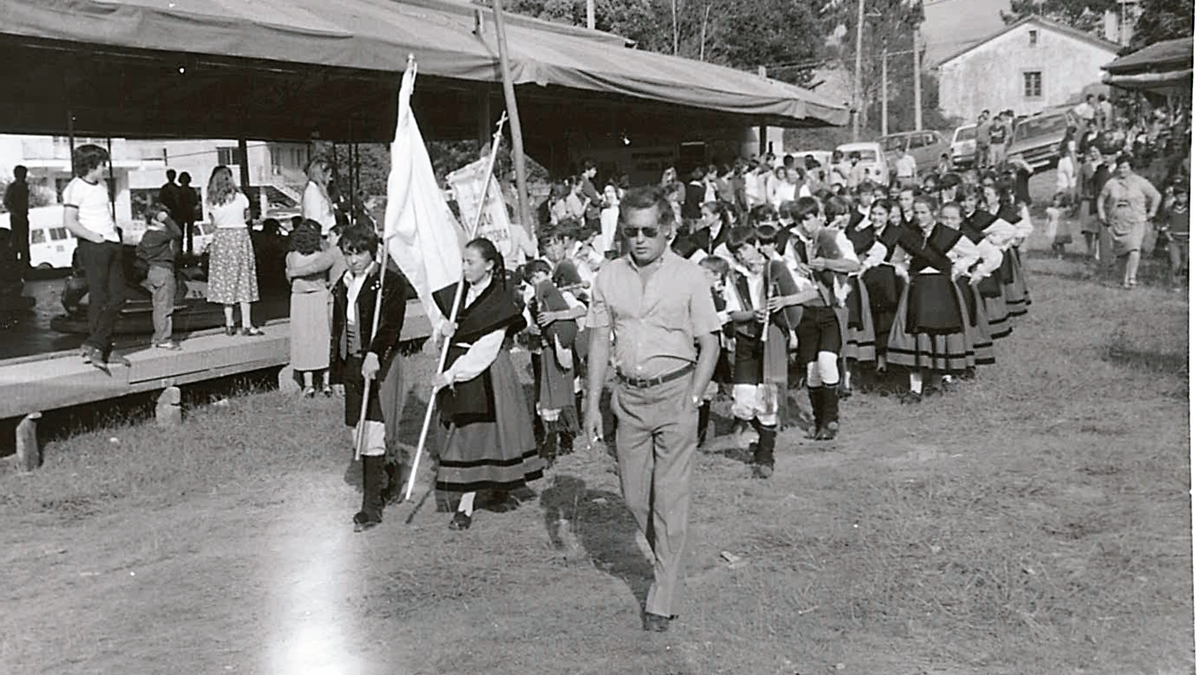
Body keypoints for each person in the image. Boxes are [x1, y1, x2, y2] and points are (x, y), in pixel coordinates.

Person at [583, 186, 721, 633]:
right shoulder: (607, 277)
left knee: (671, 499)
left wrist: (695, 396)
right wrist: (591, 403)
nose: (639, 239)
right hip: (629, 400)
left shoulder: (689, 276)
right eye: (630, 232)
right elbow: (600, 341)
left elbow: (710, 342)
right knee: (634, 495)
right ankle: (668, 556)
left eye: (648, 230)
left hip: (677, 395)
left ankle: (662, 595)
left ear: (666, 230)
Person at [433, 237, 543, 531]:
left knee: (481, 433)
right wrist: (443, 330)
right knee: (463, 431)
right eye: (463, 262)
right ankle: (496, 487)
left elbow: (486, 347)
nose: (465, 268)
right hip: (458, 365)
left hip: (486, 372)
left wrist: (451, 375)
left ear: (490, 265)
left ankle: (466, 505)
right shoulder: (459, 295)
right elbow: (445, 335)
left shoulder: (500, 302)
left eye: (471, 262)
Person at [330, 224, 411, 532]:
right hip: (351, 362)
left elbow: (391, 325)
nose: (353, 260)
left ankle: (371, 506)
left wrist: (376, 353)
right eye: (347, 254)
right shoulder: (343, 283)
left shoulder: (388, 283)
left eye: (359, 253)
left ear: (372, 251)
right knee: (357, 431)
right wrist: (336, 372)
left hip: (379, 363)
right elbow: (338, 329)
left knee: (373, 430)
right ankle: (392, 471)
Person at [887, 195, 984, 403]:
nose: (919, 217)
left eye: (923, 212)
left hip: (941, 288)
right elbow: (896, 260)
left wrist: (955, 270)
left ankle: (937, 383)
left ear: (933, 213)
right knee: (916, 335)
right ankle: (915, 388)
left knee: (939, 334)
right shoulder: (908, 235)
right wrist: (905, 272)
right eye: (916, 212)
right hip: (918, 289)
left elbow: (973, 253)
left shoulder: (947, 234)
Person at [61, 144, 128, 370]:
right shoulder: (74, 188)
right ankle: (102, 347)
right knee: (98, 297)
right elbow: (69, 222)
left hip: (112, 243)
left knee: (118, 297)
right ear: (91, 165)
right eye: (101, 165)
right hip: (93, 246)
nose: (104, 169)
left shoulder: (102, 184)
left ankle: (95, 344)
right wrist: (94, 237)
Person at [524, 259, 581, 466]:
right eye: (532, 280)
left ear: (548, 274)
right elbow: (526, 323)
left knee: (564, 393)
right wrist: (530, 329)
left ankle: (566, 437)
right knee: (544, 395)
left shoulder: (563, 294)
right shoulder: (532, 300)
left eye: (538, 277)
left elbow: (580, 310)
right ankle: (547, 440)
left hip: (561, 349)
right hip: (542, 351)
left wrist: (555, 315)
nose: (536, 282)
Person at [204, 165, 262, 335]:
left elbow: (213, 222)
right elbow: (247, 217)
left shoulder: (211, 201)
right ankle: (247, 324)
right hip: (240, 236)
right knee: (244, 278)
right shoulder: (241, 198)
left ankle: (229, 323)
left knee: (225, 280)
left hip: (221, 238)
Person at [1097, 154, 1162, 289]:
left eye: (1125, 167)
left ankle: (1132, 277)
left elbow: (1156, 195)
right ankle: (1122, 278)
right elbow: (1101, 199)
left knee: (1134, 248)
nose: (1122, 171)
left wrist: (1152, 212)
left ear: (1131, 168)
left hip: (1136, 219)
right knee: (1121, 252)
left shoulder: (1140, 182)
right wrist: (1102, 214)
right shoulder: (1112, 183)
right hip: (1117, 220)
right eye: (1120, 168)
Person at [286, 220, 333, 397]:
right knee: (322, 338)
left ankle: (309, 384)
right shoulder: (321, 256)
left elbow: (289, 278)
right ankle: (326, 382)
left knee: (303, 340)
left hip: (299, 300)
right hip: (319, 297)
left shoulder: (291, 257)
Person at [136, 200, 182, 351]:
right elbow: (177, 232)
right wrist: (167, 220)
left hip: (153, 271)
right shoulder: (159, 234)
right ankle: (164, 339)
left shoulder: (147, 235)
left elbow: (139, 252)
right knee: (166, 307)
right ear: (157, 220)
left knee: (158, 306)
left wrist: (150, 260)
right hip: (164, 271)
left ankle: (157, 336)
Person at [1160, 184, 1189, 292]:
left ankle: (1186, 282)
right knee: (1175, 262)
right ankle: (1176, 284)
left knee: (1186, 261)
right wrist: (1169, 237)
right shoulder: (1169, 210)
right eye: (1180, 196)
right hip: (1174, 240)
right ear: (1175, 197)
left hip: (1187, 240)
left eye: (1185, 196)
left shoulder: (1189, 210)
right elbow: (1163, 225)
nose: (1183, 198)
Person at [4, 165, 30, 271]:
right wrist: (15, 213)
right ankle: (14, 264)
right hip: (16, 217)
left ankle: (26, 263)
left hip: (23, 216)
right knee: (16, 240)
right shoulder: (12, 187)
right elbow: (6, 202)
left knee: (25, 240)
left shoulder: (25, 186)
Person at [303, 158, 337, 236]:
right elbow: (315, 220)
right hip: (322, 236)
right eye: (329, 175)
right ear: (322, 175)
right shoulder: (313, 193)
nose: (330, 179)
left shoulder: (317, 191)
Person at [177, 172, 199, 256]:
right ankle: (180, 249)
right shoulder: (179, 190)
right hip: (182, 213)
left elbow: (195, 202)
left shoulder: (189, 190)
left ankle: (189, 249)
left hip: (188, 213)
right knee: (181, 233)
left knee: (189, 233)